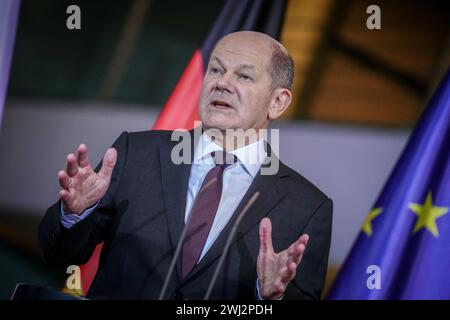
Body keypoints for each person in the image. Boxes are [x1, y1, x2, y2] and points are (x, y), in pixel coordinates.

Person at [38, 31, 333, 300]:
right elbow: (58, 256)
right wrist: (74, 215)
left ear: (278, 102)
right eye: (216, 69)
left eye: (243, 76)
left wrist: (270, 297)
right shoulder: (135, 154)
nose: (222, 83)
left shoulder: (308, 208)